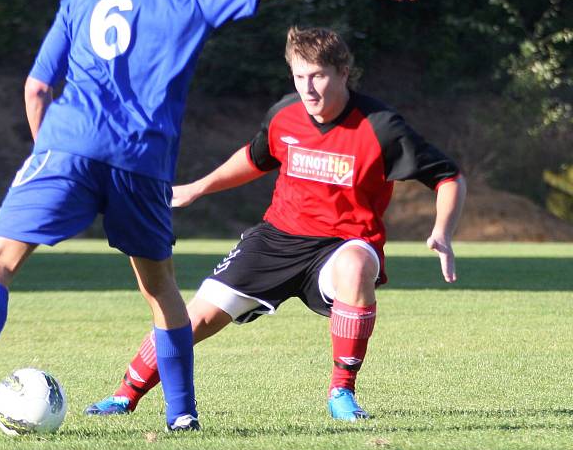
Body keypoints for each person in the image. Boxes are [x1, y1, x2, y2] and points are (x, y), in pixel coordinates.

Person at [0, 0, 420, 432]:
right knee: (161, 289)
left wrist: (48, 155)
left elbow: (37, 87)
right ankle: (181, 415)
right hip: (142, 162)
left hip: (67, 148)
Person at [84, 26, 466, 422]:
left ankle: (342, 392)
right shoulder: (285, 114)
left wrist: (442, 231)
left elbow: (448, 177)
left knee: (356, 266)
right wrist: (199, 188)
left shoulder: (381, 126)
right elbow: (255, 158)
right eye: (300, 76)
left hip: (343, 243)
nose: (308, 88)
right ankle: (125, 395)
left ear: (343, 72)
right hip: (277, 238)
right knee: (194, 318)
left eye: (318, 75)